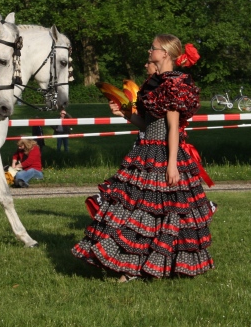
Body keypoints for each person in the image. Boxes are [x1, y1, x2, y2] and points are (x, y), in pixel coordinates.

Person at [72, 35, 215, 282]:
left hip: (164, 153)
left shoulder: (174, 84)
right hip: (145, 151)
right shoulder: (154, 82)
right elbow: (146, 123)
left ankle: (152, 264)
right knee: (136, 208)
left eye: (153, 48)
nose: (149, 51)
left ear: (166, 54)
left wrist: (172, 165)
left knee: (157, 211)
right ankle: (132, 263)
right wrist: (125, 113)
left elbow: (173, 128)